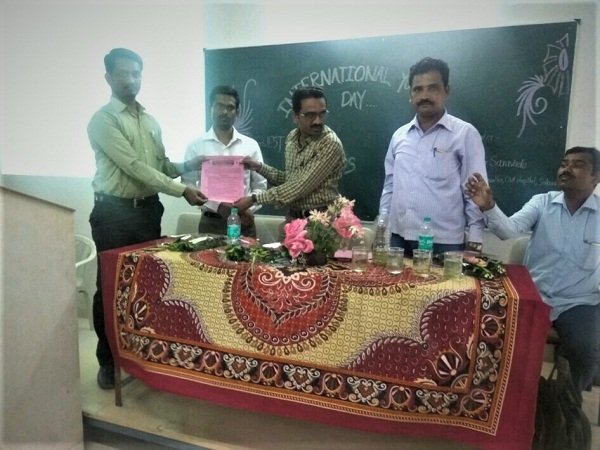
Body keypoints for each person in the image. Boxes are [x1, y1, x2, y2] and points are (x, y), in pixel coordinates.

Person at [87, 48, 207, 390]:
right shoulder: (103, 120)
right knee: (110, 288)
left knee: (144, 288)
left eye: (136, 73)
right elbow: (134, 167)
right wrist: (181, 190)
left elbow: (160, 166)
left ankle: (141, 355)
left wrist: (190, 166)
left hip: (148, 212)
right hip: (114, 214)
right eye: (123, 73)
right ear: (108, 77)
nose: (131, 79)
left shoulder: (150, 121)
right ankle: (108, 361)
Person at [466, 146, 600, 393]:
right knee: (500, 340)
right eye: (564, 164)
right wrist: (489, 206)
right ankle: (512, 398)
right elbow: (508, 231)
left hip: (578, 301)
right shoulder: (542, 202)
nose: (566, 169)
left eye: (578, 165)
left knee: (584, 351)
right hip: (536, 295)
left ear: (596, 177)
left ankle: (566, 403)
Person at [378, 57, 487, 257]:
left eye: (433, 88)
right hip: (398, 239)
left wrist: (475, 241)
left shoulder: (464, 134)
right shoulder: (399, 136)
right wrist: (381, 228)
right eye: (417, 89)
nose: (424, 96)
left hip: (443, 243)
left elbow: (475, 192)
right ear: (410, 94)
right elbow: (389, 186)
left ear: (447, 91)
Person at [233, 86, 346, 221]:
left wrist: (254, 199)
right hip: (293, 219)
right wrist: (259, 167)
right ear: (295, 116)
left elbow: (299, 187)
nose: (318, 121)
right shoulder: (292, 138)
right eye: (310, 115)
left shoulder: (329, 143)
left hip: (321, 222)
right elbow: (289, 180)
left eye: (322, 114)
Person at [181, 85, 267, 236]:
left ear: (237, 112)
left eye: (230, 107)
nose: (224, 112)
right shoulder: (196, 146)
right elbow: (188, 184)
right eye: (219, 106)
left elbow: (260, 185)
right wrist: (215, 206)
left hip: (243, 220)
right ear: (211, 108)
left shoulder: (250, 145)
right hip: (211, 222)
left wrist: (248, 208)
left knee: (246, 253)